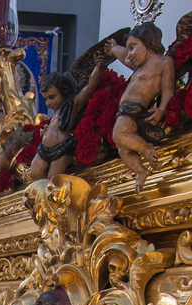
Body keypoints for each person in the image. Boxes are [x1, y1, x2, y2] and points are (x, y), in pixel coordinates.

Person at [110, 24, 175, 191]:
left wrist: (162, 109)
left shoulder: (163, 62)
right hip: (124, 110)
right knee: (123, 148)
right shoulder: (138, 66)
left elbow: (168, 89)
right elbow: (124, 56)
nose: (130, 54)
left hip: (136, 108)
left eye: (133, 47)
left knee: (118, 134)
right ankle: (140, 171)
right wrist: (113, 48)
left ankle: (146, 148)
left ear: (148, 42)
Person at [30, 71, 100, 180]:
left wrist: (98, 68)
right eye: (46, 99)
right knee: (34, 174)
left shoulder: (72, 106)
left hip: (62, 149)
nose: (48, 103)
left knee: (53, 179)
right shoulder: (56, 111)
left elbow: (90, 88)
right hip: (44, 149)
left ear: (64, 92)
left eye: (52, 97)